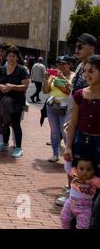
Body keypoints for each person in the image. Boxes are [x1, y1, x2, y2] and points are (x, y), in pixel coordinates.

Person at [57, 33, 98, 206]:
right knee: (73, 159)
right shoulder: (82, 66)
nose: (77, 49)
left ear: (91, 48)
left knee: (90, 165)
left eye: (81, 46)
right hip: (77, 119)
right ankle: (73, 193)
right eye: (76, 46)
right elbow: (76, 93)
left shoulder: (94, 65)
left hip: (90, 125)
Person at [0, 46, 30, 158]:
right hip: (4, 101)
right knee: (5, 122)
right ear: (7, 57)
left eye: (14, 56)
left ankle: (18, 147)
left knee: (15, 124)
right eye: (9, 56)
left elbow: (25, 86)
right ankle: (4, 143)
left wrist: (13, 87)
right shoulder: (2, 70)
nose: (11, 58)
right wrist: (2, 87)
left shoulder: (21, 70)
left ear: (18, 57)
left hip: (16, 102)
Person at [43, 56, 75, 162]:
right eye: (59, 64)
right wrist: (46, 78)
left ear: (70, 65)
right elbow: (45, 90)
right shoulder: (54, 76)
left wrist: (61, 80)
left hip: (65, 107)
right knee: (54, 132)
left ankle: (69, 156)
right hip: (52, 105)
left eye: (63, 64)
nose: (60, 66)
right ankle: (55, 154)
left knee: (65, 132)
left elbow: (69, 91)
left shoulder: (73, 76)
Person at [60, 158, 97, 229]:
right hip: (70, 203)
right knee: (64, 219)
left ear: (94, 170)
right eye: (81, 169)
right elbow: (67, 167)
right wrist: (67, 159)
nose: (85, 172)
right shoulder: (74, 173)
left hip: (85, 208)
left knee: (83, 226)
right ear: (77, 168)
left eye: (89, 169)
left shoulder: (95, 180)